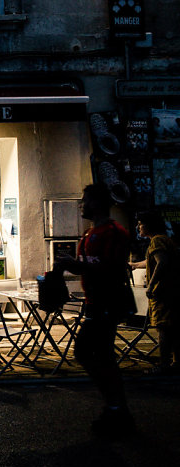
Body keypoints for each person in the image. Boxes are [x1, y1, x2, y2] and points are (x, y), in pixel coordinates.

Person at [55, 183, 133, 435]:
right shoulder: (89, 234)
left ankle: (116, 407)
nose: (82, 205)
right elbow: (89, 265)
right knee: (98, 355)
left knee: (90, 353)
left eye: (86, 200)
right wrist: (71, 265)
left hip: (108, 301)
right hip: (95, 302)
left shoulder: (114, 232)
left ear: (98, 203)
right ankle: (116, 408)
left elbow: (112, 268)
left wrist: (77, 266)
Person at [131, 211, 178, 374]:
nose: (138, 227)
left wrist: (151, 285)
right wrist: (135, 265)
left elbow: (161, 262)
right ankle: (174, 362)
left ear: (150, 225)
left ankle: (164, 364)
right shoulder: (163, 240)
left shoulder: (157, 240)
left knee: (163, 329)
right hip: (170, 291)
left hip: (163, 293)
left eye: (141, 224)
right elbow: (153, 260)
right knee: (172, 328)